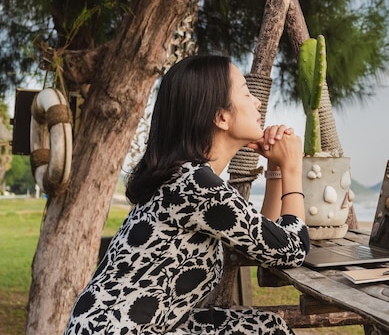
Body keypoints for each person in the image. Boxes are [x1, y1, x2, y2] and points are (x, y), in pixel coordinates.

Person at [64, 55, 310, 335]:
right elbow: (292, 249)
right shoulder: (196, 184)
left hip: (108, 327)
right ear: (221, 117)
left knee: (266, 327)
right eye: (246, 93)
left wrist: (276, 169)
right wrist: (293, 166)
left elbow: (264, 242)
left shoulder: (185, 177)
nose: (257, 102)